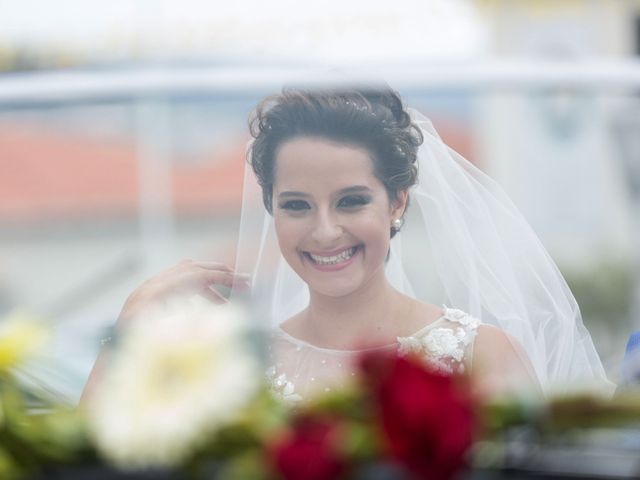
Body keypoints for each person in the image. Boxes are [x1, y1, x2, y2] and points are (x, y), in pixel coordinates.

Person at [83, 84, 613, 403]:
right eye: (296, 205)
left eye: (352, 201)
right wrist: (130, 326)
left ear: (398, 201)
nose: (324, 230)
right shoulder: (237, 367)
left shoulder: (481, 355)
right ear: (271, 210)